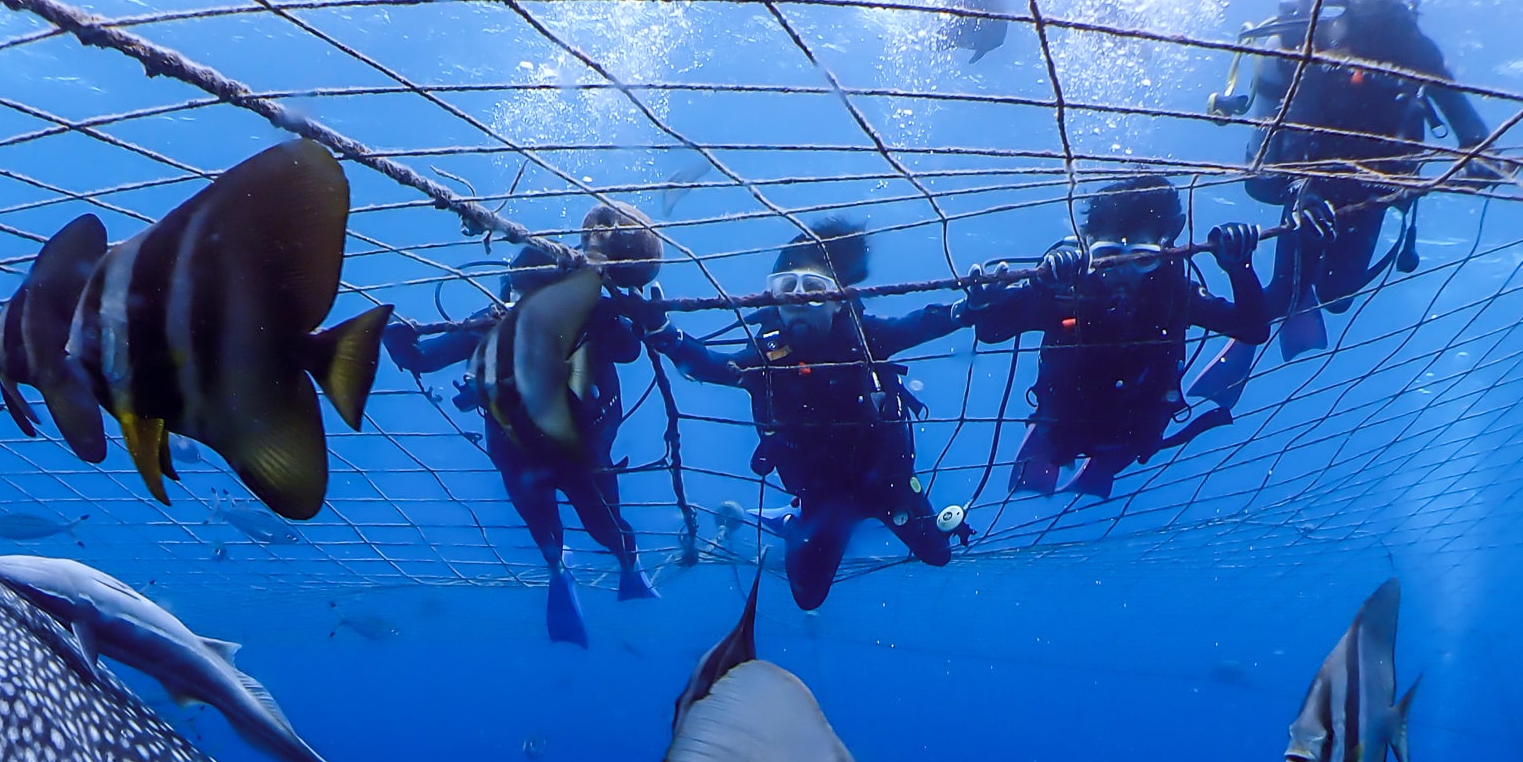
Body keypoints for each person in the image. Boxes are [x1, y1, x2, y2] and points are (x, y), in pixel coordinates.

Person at [1195, 0, 1498, 405]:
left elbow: (1467, 123)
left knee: (1337, 298)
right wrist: (1299, 189)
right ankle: (1243, 350)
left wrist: (1479, 158)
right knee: (1287, 289)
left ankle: (1291, 312)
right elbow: (1294, 130)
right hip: (1309, 185)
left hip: (1375, 190)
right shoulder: (1317, 33)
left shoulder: (1414, 45)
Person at [640, 216, 965, 611]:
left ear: (836, 300)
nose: (798, 300)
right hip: (823, 495)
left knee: (939, 553)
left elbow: (918, 324)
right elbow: (711, 365)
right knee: (807, 597)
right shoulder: (764, 359)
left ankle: (796, 520)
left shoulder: (863, 337)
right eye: (786, 289)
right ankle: (793, 524)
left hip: (888, 481)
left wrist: (966, 309)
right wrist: (665, 334)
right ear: (772, 299)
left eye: (813, 289)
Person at [382, 205, 661, 646]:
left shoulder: (589, 315)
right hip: (519, 453)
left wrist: (632, 311)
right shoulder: (492, 322)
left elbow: (628, 349)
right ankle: (560, 568)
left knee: (605, 527)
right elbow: (425, 357)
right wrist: (396, 340)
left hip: (581, 450)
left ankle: (629, 568)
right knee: (545, 530)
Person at [961, 176, 1267, 499]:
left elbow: (1252, 329)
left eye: (1142, 259)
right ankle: (1062, 448)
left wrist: (1240, 267)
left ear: (1164, 249)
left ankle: (1098, 465)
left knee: (1129, 445)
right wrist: (1003, 298)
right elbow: (991, 330)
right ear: (1089, 244)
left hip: (1138, 427)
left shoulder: (1173, 294)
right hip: (1064, 419)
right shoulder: (1068, 289)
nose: (1122, 274)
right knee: (1069, 439)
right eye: (1109, 257)